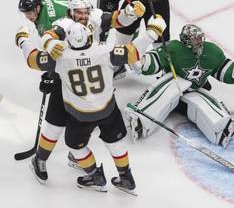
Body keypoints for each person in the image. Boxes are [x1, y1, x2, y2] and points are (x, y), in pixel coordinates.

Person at [25, 15, 167, 192]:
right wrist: (153, 32)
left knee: (75, 146)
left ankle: (94, 175)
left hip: (80, 114)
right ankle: (126, 176)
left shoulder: (61, 57)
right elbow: (134, 52)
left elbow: (32, 59)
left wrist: (23, 39)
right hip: (108, 108)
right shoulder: (105, 50)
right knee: (115, 144)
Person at [17, 0, 146, 183]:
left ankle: (70, 156)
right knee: (57, 125)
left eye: (86, 12)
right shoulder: (65, 24)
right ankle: (45, 159)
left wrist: (130, 13)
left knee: (70, 127)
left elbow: (118, 19)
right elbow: (48, 37)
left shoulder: (94, 17)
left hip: (79, 75)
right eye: (78, 12)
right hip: (74, 76)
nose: (83, 15)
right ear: (71, 12)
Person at [125, 24, 234, 147]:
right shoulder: (173, 48)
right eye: (195, 39)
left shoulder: (212, 51)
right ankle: (140, 120)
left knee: (204, 101)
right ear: (185, 41)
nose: (199, 41)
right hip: (173, 89)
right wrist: (141, 62)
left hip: (191, 94)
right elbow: (153, 61)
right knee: (170, 85)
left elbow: (222, 70)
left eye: (200, 38)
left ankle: (221, 129)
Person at [15, 0, 81, 177]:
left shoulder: (50, 21)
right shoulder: (41, 6)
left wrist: (51, 73)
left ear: (37, 7)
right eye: (25, 13)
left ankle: (58, 155)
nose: (28, 17)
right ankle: (61, 155)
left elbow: (59, 52)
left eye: (29, 12)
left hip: (77, 58)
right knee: (72, 113)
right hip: (78, 48)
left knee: (63, 115)